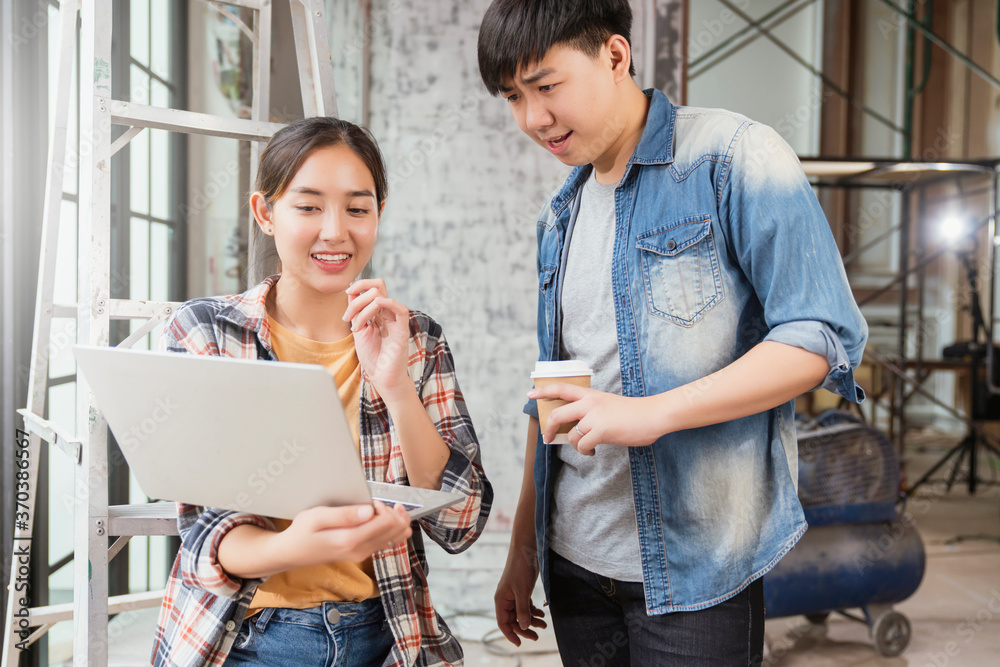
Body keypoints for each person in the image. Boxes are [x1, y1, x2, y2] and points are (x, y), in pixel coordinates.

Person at [477, 1, 868, 664]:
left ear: (616, 56)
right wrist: (522, 549)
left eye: (546, 87)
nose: (531, 118)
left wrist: (653, 413)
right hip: (575, 565)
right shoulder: (562, 213)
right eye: (513, 96)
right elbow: (552, 392)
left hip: (696, 572)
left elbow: (818, 334)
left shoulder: (733, 156)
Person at [150, 117, 492, 667]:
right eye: (308, 207)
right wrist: (298, 546)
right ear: (265, 213)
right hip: (248, 639)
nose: (335, 232)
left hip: (386, 635)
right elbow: (204, 534)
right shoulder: (208, 332)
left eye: (358, 208)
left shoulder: (416, 338)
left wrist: (396, 385)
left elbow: (462, 522)